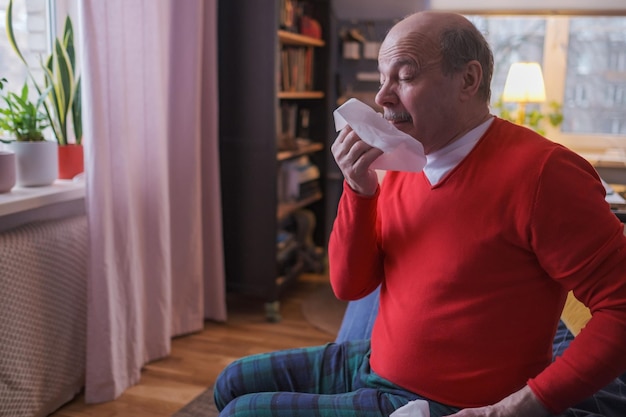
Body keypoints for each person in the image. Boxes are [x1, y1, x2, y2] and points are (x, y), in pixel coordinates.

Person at [213, 11, 626, 417]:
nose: (382, 97)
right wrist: (359, 189)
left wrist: (525, 405)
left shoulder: (545, 174)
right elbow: (348, 285)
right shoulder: (402, 159)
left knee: (240, 412)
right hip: (373, 360)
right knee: (230, 381)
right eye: (382, 78)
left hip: (440, 401)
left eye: (405, 76)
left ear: (468, 80)